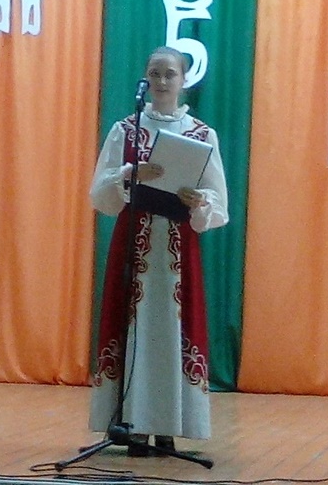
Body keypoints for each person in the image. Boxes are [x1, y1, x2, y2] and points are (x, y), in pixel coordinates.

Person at [89, 46, 228, 456]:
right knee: (134, 327)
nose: (162, 81)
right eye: (155, 73)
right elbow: (100, 192)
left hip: (177, 247)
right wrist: (131, 173)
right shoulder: (126, 129)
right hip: (134, 240)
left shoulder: (201, 134)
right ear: (145, 79)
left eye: (170, 74)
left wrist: (198, 199)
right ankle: (131, 423)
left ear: (184, 80)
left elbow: (218, 199)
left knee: (172, 328)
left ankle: (169, 424)